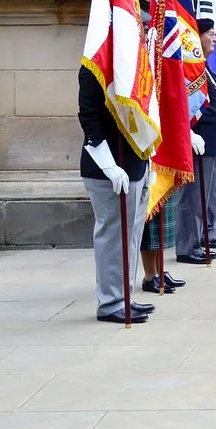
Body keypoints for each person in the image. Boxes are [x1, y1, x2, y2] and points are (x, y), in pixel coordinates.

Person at [78, 64, 155, 324]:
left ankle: (124, 295)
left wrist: (149, 159)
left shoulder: (130, 61)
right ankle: (111, 302)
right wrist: (108, 164)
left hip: (135, 162)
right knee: (113, 236)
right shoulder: (94, 67)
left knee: (131, 236)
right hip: (107, 166)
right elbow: (89, 117)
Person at [177, 18, 216, 264]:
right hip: (198, 143)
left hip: (212, 144)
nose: (215, 39)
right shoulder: (191, 70)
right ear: (196, 38)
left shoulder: (207, 70)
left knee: (204, 198)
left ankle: (198, 241)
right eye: (210, 34)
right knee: (193, 198)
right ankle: (188, 247)